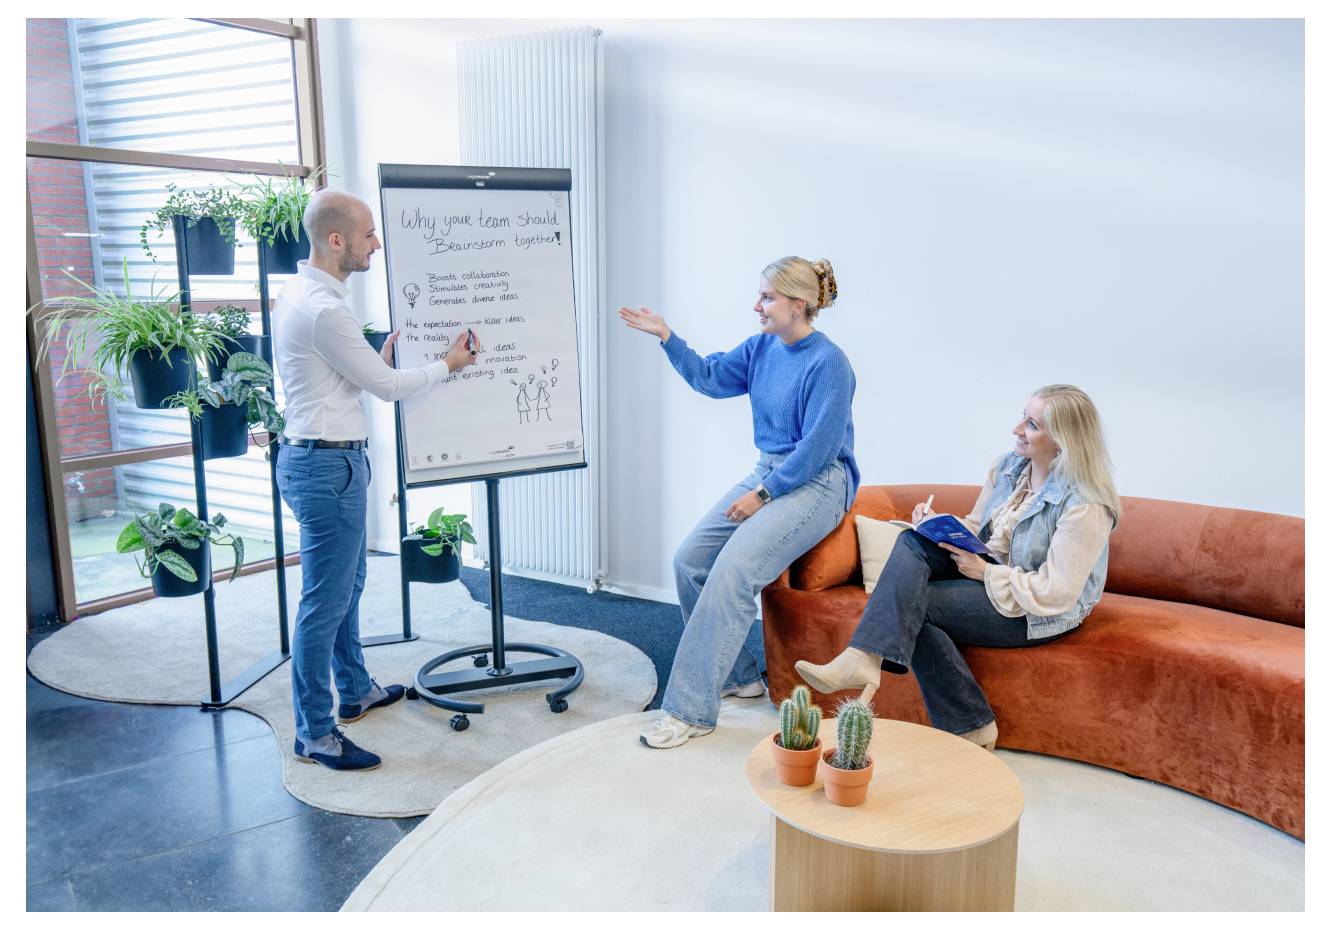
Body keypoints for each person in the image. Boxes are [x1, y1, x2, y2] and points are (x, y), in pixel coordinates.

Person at [272, 189, 482, 771]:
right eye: (368, 233)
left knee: (348, 584)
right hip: (327, 466)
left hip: (320, 459)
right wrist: (450, 365)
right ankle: (315, 732)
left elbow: (339, 377)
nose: (377, 243)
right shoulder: (325, 311)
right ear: (336, 240)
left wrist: (371, 357)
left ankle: (355, 689)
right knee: (324, 602)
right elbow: (387, 389)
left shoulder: (300, 293)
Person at [794, 384, 1119, 751]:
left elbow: (1056, 592)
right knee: (912, 541)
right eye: (1022, 417)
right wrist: (936, 524)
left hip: (1037, 610)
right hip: (992, 572)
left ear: (1062, 440)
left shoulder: (1085, 506)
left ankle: (966, 720)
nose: (1016, 429)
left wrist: (985, 573)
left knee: (916, 605)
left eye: (1031, 424)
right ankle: (866, 660)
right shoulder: (1009, 467)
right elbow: (981, 527)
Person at [619, 256, 859, 749]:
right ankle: (741, 677)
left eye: (767, 297)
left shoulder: (829, 363)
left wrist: (763, 495)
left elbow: (817, 449)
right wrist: (668, 337)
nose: (757, 306)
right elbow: (709, 378)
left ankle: (689, 710)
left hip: (819, 482)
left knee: (732, 572)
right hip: (771, 470)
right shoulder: (763, 348)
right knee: (690, 560)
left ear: (800, 304)